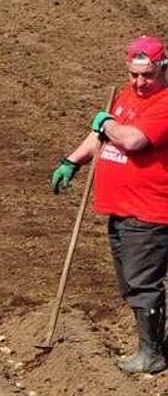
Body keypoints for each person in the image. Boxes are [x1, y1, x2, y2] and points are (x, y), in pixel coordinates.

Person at [52, 35, 168, 374]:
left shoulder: (164, 104)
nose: (139, 82)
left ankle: (152, 353)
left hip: (149, 211)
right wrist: (72, 161)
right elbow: (99, 136)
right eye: (134, 74)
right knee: (129, 281)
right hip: (120, 210)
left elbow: (131, 139)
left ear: (162, 69)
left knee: (142, 282)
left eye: (147, 75)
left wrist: (106, 122)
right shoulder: (124, 96)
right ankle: (150, 344)